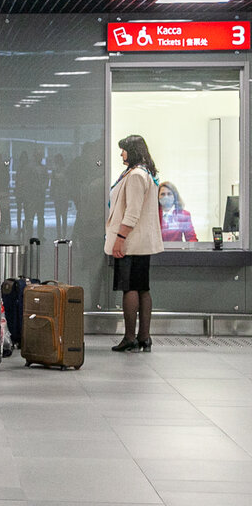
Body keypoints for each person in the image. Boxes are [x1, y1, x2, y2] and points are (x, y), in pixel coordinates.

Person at [106, 135, 163, 352]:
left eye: (124, 150)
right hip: (141, 243)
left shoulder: (136, 176)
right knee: (142, 287)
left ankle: (130, 337)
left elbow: (132, 212)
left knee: (129, 287)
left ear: (133, 151)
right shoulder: (144, 173)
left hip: (131, 242)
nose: (121, 154)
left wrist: (120, 239)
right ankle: (143, 337)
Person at [50, 154, 71, 239]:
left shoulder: (54, 171)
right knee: (64, 216)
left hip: (57, 194)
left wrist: (51, 193)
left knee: (58, 216)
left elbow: (52, 184)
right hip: (64, 194)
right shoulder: (66, 170)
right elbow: (68, 183)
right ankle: (64, 233)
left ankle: (59, 234)